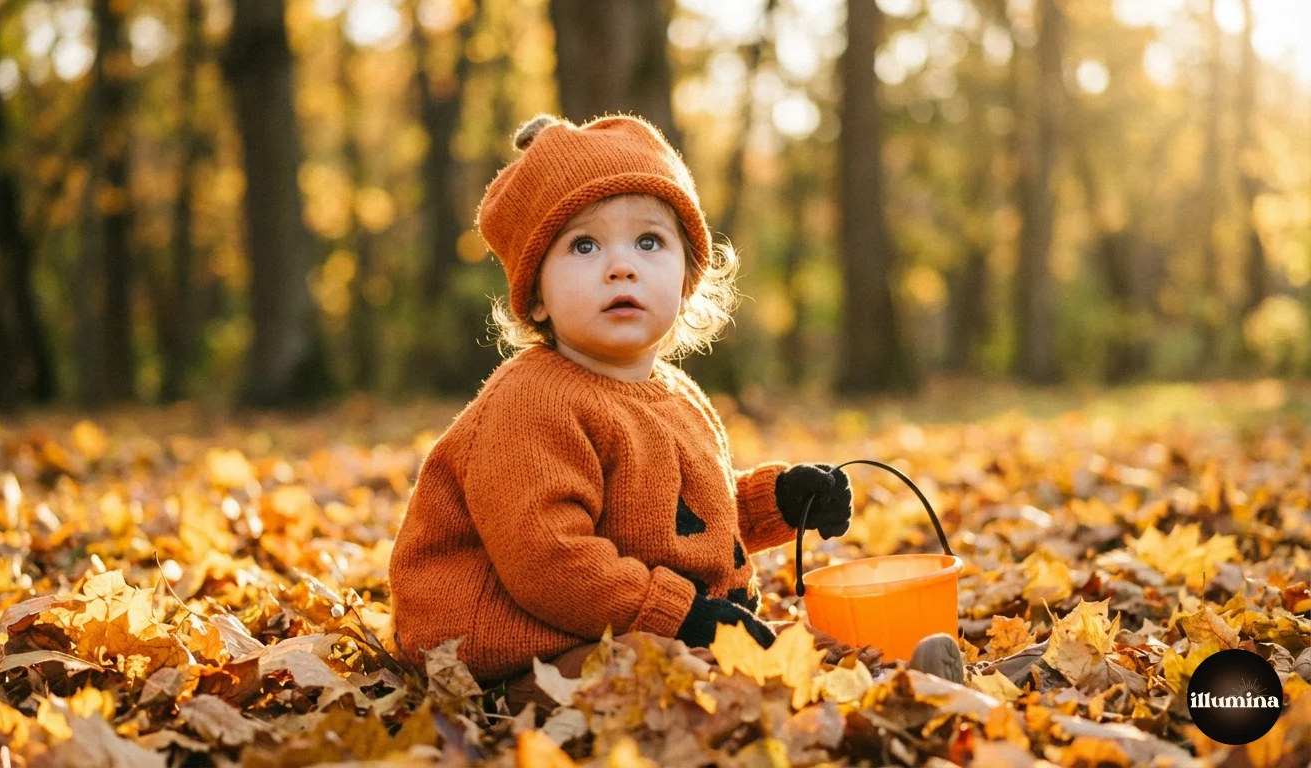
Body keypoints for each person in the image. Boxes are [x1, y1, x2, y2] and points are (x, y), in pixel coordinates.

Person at [387, 113, 962, 713]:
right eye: (584, 245)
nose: (621, 265)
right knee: (663, 674)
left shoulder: (678, 395)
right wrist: (684, 616)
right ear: (535, 293)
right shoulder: (530, 402)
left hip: (638, 617)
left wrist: (781, 501)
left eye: (649, 241)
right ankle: (810, 699)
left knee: (790, 650)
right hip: (518, 647)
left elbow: (683, 520)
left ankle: (910, 681)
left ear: (687, 278)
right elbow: (550, 561)